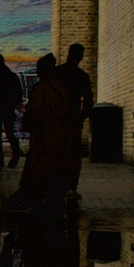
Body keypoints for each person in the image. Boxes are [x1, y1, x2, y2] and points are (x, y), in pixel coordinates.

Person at [10, 54, 69, 214]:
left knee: (37, 167)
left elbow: (33, 112)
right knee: (53, 166)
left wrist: (27, 127)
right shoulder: (62, 87)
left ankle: (30, 196)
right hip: (58, 135)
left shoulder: (41, 88)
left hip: (42, 135)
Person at [53, 44, 93, 198]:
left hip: (57, 119)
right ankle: (71, 186)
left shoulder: (58, 73)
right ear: (81, 57)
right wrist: (82, 116)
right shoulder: (82, 76)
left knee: (57, 152)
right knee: (73, 155)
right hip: (74, 120)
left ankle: (56, 183)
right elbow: (88, 100)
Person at [0, 54, 25, 168]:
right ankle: (15, 152)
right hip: (8, 109)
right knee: (10, 133)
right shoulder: (11, 76)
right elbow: (18, 94)